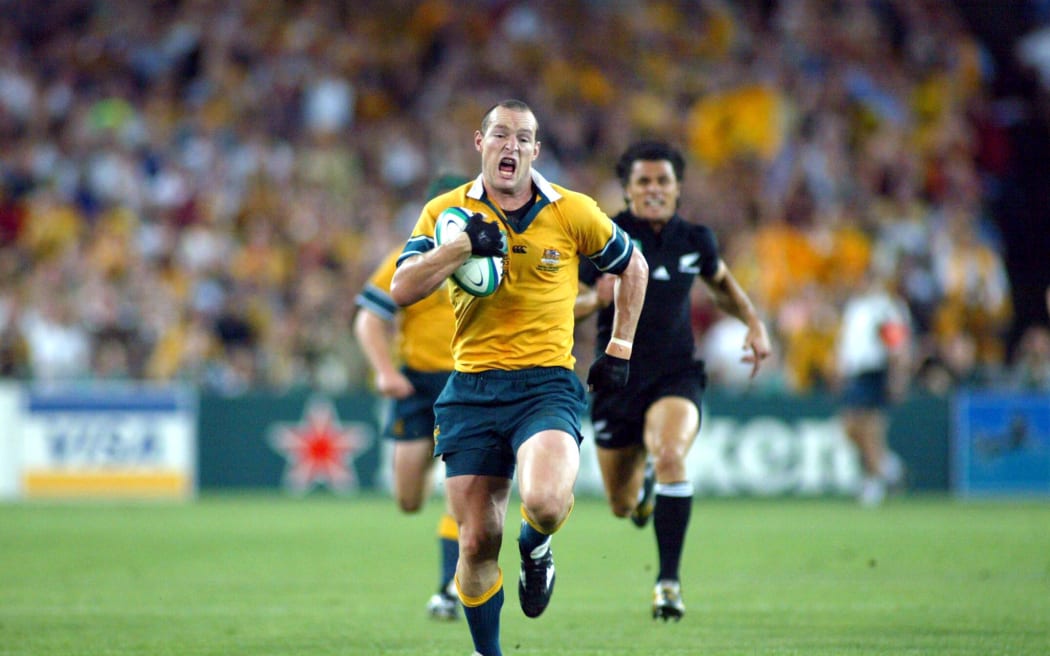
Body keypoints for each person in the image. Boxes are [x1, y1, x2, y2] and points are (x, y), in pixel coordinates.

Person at [390, 99, 648, 656]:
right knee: (477, 540)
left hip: (545, 384)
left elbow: (634, 265)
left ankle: (536, 548)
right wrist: (460, 247)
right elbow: (403, 288)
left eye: (523, 137)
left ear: (536, 150)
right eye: (500, 134)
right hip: (472, 389)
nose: (512, 145)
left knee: (548, 502)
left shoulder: (572, 210)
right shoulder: (446, 212)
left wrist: (619, 347)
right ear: (478, 142)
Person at [577, 140, 771, 621]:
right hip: (617, 378)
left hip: (675, 374)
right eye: (643, 181)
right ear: (626, 190)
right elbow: (569, 300)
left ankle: (668, 583)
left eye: (663, 180)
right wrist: (594, 300)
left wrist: (753, 321)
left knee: (669, 454)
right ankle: (642, 495)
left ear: (678, 187)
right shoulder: (605, 237)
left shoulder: (696, 240)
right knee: (622, 506)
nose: (654, 189)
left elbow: (721, 284)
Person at [353, 173, 471, 621]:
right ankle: (435, 470)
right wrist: (384, 372)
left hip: (466, 383)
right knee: (407, 498)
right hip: (417, 385)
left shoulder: (491, 254)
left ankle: (447, 589)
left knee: (456, 493)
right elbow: (368, 318)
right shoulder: (410, 258)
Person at [834, 267, 912, 507]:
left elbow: (895, 344)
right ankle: (887, 466)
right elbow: (848, 344)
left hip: (874, 371)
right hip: (855, 373)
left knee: (869, 428)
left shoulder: (883, 308)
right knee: (851, 427)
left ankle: (875, 480)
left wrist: (897, 376)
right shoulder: (856, 308)